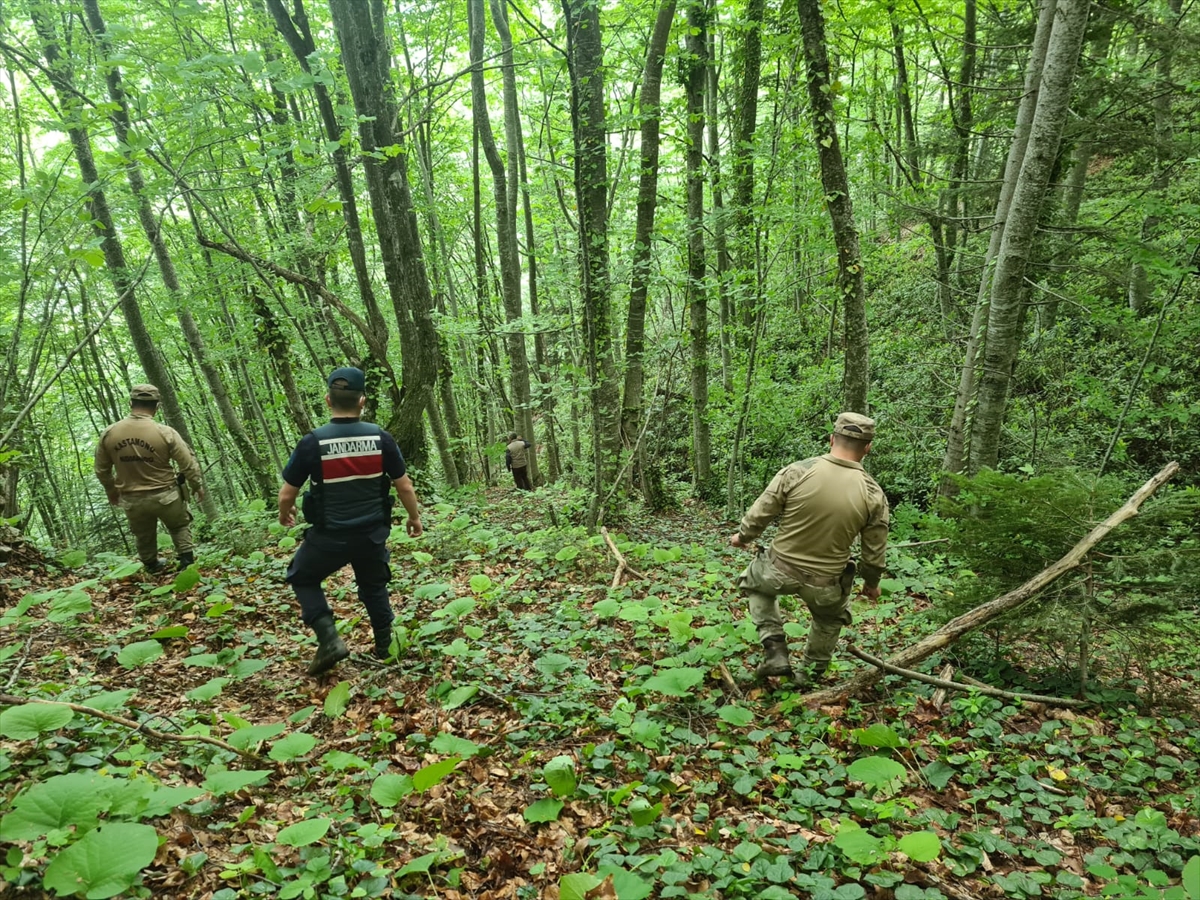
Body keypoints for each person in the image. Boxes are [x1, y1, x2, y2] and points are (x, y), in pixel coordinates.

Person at [278, 367, 423, 676]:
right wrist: (414, 517)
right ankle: (385, 647)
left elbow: (287, 492)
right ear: (362, 401)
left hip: (330, 536)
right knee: (373, 585)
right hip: (371, 534)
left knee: (302, 576)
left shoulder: (313, 442)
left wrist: (284, 512)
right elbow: (404, 486)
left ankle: (329, 638)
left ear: (328, 400)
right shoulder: (380, 437)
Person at [729, 412, 889, 689]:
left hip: (778, 570)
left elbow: (761, 511)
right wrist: (872, 583)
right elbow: (874, 549)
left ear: (832, 439)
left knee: (754, 583)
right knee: (829, 621)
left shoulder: (797, 471)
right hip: (827, 584)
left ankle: (775, 649)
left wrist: (743, 536)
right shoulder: (874, 494)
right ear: (868, 448)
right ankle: (808, 679)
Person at [95, 384, 205, 573]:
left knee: (143, 534)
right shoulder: (165, 432)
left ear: (131, 403)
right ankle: (187, 563)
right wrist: (196, 485)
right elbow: (188, 464)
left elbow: (101, 469)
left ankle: (152, 566)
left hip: (132, 498)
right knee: (178, 527)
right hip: (166, 496)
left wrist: (111, 490)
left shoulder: (109, 433)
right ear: (157, 406)